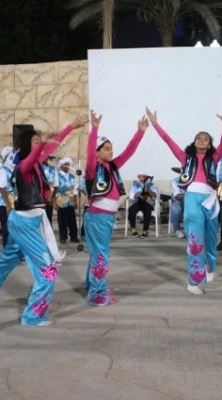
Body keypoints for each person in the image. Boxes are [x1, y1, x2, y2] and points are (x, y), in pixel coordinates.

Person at [0, 114, 87, 326]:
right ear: (26, 146)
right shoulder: (23, 166)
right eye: (35, 141)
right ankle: (32, 315)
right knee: (48, 269)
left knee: (10, 256)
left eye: (39, 141)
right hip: (24, 222)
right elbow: (35, 155)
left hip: (29, 220)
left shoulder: (36, 164)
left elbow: (50, 147)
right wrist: (43, 143)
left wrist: (71, 126)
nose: (40, 145)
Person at [146, 106, 222, 295]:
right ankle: (194, 282)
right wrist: (156, 124)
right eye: (199, 137)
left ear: (209, 145)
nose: (201, 139)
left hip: (211, 199)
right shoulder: (185, 158)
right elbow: (168, 141)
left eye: (205, 138)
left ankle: (210, 267)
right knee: (195, 240)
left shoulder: (214, 158)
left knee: (211, 238)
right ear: (194, 142)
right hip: (192, 198)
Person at [83, 110, 149, 306]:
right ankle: (97, 295)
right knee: (101, 255)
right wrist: (95, 129)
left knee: (97, 253)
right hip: (98, 217)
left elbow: (129, 152)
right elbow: (89, 153)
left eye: (111, 148)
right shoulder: (92, 168)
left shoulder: (112, 166)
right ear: (97, 152)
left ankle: (92, 284)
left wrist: (140, 132)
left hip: (105, 217)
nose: (111, 152)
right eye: (106, 149)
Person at [54, 157, 80, 244]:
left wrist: (75, 202)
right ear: (61, 166)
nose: (67, 166)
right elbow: (55, 190)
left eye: (68, 165)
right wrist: (55, 203)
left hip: (71, 200)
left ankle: (74, 236)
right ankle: (63, 237)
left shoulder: (73, 177)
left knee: (72, 219)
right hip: (61, 200)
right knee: (62, 220)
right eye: (65, 165)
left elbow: (75, 190)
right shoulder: (57, 176)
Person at [127, 173, 160, 238]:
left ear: (147, 178)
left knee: (147, 211)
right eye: (139, 177)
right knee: (131, 210)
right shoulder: (135, 185)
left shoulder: (152, 185)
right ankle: (133, 228)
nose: (141, 178)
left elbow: (156, 196)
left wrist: (148, 190)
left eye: (143, 177)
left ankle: (145, 230)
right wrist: (138, 194)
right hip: (137, 202)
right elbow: (131, 196)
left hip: (148, 203)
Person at [0, 146, 15, 247]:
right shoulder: (3, 170)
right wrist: (8, 205)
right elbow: (2, 188)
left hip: (13, 202)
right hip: (5, 203)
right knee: (7, 228)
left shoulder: (13, 169)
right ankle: (7, 250)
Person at [170, 167, 186, 239]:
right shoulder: (175, 181)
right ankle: (177, 230)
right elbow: (177, 196)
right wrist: (190, 196)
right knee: (176, 206)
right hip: (179, 199)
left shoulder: (194, 181)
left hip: (190, 199)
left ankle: (189, 229)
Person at [41, 156, 58, 225]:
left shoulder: (53, 169)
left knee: (49, 216)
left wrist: (52, 198)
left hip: (50, 195)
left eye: (46, 157)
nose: (45, 158)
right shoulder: (38, 168)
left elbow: (56, 184)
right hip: (40, 194)